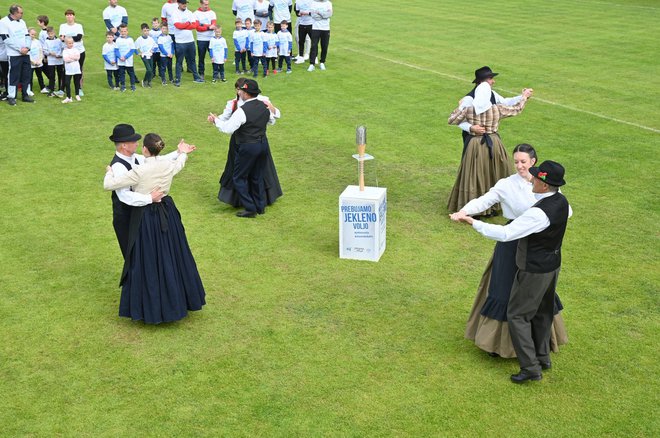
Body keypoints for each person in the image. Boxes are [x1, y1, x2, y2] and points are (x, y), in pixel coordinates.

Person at [456, 160, 571, 383]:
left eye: (536, 177)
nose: (531, 179)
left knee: (518, 315)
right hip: (552, 266)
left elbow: (506, 234)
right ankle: (543, 357)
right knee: (542, 311)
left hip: (534, 270)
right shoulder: (562, 202)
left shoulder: (538, 214)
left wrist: (472, 222)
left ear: (545, 185)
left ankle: (530, 368)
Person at [104, 132, 206, 324]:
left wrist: (109, 172)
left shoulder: (139, 171)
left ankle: (152, 307)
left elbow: (110, 185)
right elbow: (177, 164)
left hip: (146, 218)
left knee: (147, 259)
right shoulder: (167, 165)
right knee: (172, 255)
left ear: (144, 149)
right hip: (167, 213)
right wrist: (182, 153)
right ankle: (176, 300)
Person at [447, 79, 532, 216]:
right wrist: (524, 98)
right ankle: (494, 206)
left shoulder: (469, 109)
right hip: (493, 142)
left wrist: (461, 107)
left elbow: (451, 119)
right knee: (494, 171)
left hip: (475, 144)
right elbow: (517, 109)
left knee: (475, 174)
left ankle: (472, 208)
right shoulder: (497, 109)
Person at [208, 79, 280, 217]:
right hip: (263, 144)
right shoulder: (264, 106)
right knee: (257, 176)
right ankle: (260, 206)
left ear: (246, 93)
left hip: (248, 146)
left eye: (241, 90)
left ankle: (250, 208)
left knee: (239, 177)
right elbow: (272, 120)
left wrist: (216, 120)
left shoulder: (242, 111)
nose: (239, 92)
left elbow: (227, 129)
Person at [1, 4, 32, 106]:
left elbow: (27, 36)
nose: (22, 14)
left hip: (25, 53)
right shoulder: (3, 22)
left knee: (26, 74)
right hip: (14, 54)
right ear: (14, 13)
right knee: (13, 75)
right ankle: (11, 96)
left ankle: (25, 94)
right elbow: (6, 39)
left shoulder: (22, 22)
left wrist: (27, 47)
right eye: (21, 12)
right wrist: (19, 49)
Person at [171, 0, 204, 86]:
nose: (185, 5)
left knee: (192, 60)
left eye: (185, 3)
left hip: (190, 41)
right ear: (178, 3)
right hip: (180, 41)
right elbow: (177, 26)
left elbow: (194, 25)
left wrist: (184, 25)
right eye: (183, 3)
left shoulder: (189, 13)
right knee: (179, 61)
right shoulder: (175, 13)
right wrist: (188, 23)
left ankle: (196, 77)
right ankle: (177, 79)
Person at [58, 9, 85, 96]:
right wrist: (67, 38)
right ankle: (62, 89)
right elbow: (62, 38)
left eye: (71, 15)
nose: (69, 16)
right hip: (67, 52)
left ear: (74, 16)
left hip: (79, 51)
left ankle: (79, 88)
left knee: (79, 70)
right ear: (65, 16)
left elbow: (79, 37)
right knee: (65, 70)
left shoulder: (78, 26)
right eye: (67, 15)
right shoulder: (62, 26)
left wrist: (67, 38)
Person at [194, 0, 217, 80]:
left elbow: (213, 26)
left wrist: (202, 25)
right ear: (201, 4)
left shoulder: (212, 13)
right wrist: (208, 27)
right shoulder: (196, 14)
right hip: (201, 39)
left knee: (214, 56)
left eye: (207, 4)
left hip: (212, 38)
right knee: (201, 57)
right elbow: (197, 28)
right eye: (205, 4)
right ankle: (201, 73)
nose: (206, 6)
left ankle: (216, 73)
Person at [307, 0, 332, 72]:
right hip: (316, 28)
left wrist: (320, 12)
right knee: (314, 46)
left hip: (326, 28)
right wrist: (323, 15)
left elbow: (329, 14)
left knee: (324, 46)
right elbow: (313, 15)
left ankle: (322, 62)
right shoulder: (313, 3)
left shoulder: (328, 3)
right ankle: (312, 64)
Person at [114, 24, 137, 92]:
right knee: (121, 74)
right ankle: (123, 86)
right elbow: (116, 50)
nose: (123, 33)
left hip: (129, 60)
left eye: (124, 31)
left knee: (131, 73)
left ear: (127, 31)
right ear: (120, 32)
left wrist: (126, 57)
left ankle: (133, 85)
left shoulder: (130, 39)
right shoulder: (118, 40)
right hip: (121, 60)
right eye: (122, 31)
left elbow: (132, 50)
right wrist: (120, 57)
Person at [43, 26, 64, 96]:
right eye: (49, 33)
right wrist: (50, 53)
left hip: (59, 60)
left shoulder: (59, 40)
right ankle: (51, 90)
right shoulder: (46, 41)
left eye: (51, 33)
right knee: (51, 75)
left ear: (54, 33)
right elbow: (44, 51)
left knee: (60, 74)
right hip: (51, 60)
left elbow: (62, 48)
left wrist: (60, 55)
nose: (50, 34)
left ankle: (61, 89)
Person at [135, 23, 157, 88]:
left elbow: (155, 46)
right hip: (144, 56)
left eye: (147, 30)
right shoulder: (139, 39)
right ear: (142, 31)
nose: (146, 32)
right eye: (145, 31)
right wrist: (138, 53)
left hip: (150, 55)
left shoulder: (150, 39)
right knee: (149, 69)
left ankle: (149, 81)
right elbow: (134, 47)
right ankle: (144, 81)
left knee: (151, 70)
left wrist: (153, 51)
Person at [61, 36, 81, 103]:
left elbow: (78, 57)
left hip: (76, 69)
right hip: (69, 70)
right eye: (69, 43)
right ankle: (69, 97)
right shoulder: (64, 51)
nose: (71, 44)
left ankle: (77, 94)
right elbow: (66, 59)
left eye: (72, 43)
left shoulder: (76, 49)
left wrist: (71, 57)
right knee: (67, 83)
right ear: (66, 43)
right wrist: (73, 58)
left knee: (77, 82)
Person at [35, 15, 49, 94]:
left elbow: (47, 44)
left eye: (38, 21)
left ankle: (52, 83)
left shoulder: (45, 33)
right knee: (44, 69)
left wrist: (45, 56)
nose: (37, 22)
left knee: (45, 69)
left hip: (44, 54)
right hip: (42, 53)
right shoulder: (43, 31)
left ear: (42, 22)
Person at [28, 28, 43, 95]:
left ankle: (42, 87)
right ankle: (30, 89)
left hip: (38, 62)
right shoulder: (26, 42)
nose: (33, 36)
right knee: (30, 76)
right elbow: (27, 54)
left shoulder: (37, 42)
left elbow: (40, 51)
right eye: (32, 34)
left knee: (40, 75)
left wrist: (39, 60)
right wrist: (32, 61)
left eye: (34, 34)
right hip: (31, 63)